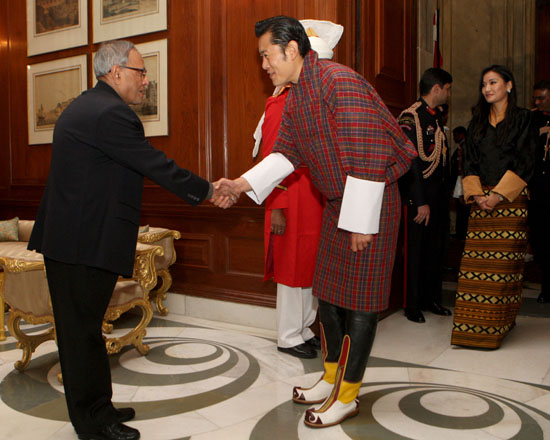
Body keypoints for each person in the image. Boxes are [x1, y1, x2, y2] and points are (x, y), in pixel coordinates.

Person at [217, 15, 416, 428]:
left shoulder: (338, 82)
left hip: (370, 202)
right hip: (337, 203)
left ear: (291, 50)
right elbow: (284, 154)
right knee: (327, 296)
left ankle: (347, 395)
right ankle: (330, 377)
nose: (264, 65)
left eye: (265, 55)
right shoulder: (296, 93)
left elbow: (368, 149)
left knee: (360, 306)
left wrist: (362, 223)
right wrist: (239, 184)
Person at [28, 40, 231, 440]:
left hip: (74, 241)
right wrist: (208, 189)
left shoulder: (87, 105)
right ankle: (93, 424)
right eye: (141, 73)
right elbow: (155, 164)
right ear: (116, 72)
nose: (146, 81)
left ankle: (99, 407)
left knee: (83, 331)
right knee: (82, 335)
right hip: (81, 244)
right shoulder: (110, 114)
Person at [253, 20, 343, 359]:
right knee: (292, 271)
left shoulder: (311, 99)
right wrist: (276, 206)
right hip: (290, 200)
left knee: (310, 269)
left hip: (314, 198)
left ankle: (305, 329)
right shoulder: (281, 103)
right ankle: (289, 336)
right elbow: (272, 158)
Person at [451, 65, 536, 349]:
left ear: (508, 86)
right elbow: (470, 162)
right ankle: (471, 331)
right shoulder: (477, 121)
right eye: (484, 83)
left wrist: (498, 196)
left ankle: (499, 325)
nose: (487, 88)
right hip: (480, 203)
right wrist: (477, 197)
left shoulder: (524, 119)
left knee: (504, 271)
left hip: (510, 202)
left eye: (493, 82)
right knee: (474, 270)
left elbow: (526, 161)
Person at [398, 68, 453, 323]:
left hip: (438, 197)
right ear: (437, 89)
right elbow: (411, 163)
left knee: (435, 250)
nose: (448, 93)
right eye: (448, 88)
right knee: (416, 251)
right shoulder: (411, 118)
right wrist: (420, 201)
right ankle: (412, 304)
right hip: (418, 199)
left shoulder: (436, 117)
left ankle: (431, 299)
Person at [528, 80, 550, 303]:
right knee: (540, 239)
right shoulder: (532, 119)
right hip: (538, 191)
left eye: (542, 98)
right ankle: (547, 286)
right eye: (535, 98)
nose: (537, 102)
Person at [450, 126, 470, 240]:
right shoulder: (461, 147)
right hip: (459, 182)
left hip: (463, 181)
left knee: (464, 210)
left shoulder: (466, 147)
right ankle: (460, 233)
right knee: (460, 210)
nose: (454, 138)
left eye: (455, 135)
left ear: (462, 134)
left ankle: (462, 234)